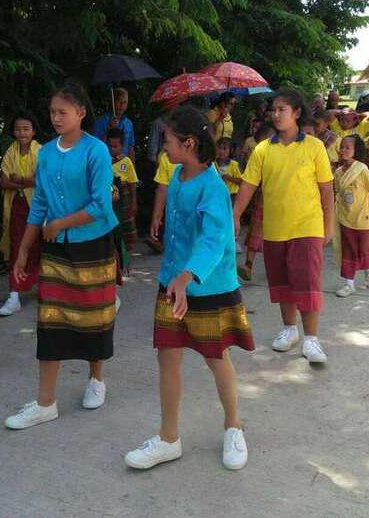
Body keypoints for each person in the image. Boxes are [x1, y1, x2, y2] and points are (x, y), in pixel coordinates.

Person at [124, 107, 255, 472]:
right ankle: (168, 439)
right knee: (167, 356)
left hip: (207, 287)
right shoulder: (177, 175)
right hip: (173, 284)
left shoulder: (212, 186)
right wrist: (175, 276)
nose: (162, 146)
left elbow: (214, 240)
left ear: (189, 143)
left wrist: (187, 276)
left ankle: (233, 426)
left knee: (216, 358)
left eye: (167, 140)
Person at [5, 82, 119, 430]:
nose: (56, 118)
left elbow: (101, 205)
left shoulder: (96, 151)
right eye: (52, 112)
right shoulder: (47, 154)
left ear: (81, 113)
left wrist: (60, 223)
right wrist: (24, 249)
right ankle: (46, 402)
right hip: (55, 246)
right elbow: (39, 203)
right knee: (50, 320)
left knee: (94, 316)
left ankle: (96, 379)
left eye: (63, 112)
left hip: (93, 243)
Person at [233, 88, 333, 364]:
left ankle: (311, 339)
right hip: (275, 228)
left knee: (308, 282)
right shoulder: (263, 149)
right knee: (282, 282)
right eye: (273, 110)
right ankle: (290, 330)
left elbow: (326, 190)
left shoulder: (314, 146)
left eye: (282, 110)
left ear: (297, 113)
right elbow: (248, 185)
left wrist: (328, 226)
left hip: (307, 226)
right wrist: (235, 215)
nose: (276, 115)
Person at [0, 113, 42, 317]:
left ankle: (44, 287)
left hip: (38, 206)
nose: (22, 133)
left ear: (33, 131)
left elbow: (42, 181)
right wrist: (25, 181)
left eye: (26, 129)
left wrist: (19, 179)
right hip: (17, 205)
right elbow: (4, 181)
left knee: (40, 246)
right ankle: (14, 295)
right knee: (17, 247)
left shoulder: (41, 151)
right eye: (18, 129)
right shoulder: (10, 151)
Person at [333, 135, 369, 297]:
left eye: (347, 148)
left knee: (365, 249)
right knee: (348, 251)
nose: (343, 150)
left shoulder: (362, 170)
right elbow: (337, 192)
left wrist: (367, 209)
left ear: (356, 151)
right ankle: (349, 284)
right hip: (345, 218)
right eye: (342, 147)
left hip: (363, 219)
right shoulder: (338, 172)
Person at [236, 122, 274, 282]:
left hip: (278, 203)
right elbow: (249, 182)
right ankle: (248, 266)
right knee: (254, 234)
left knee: (274, 237)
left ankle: (276, 268)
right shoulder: (258, 156)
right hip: (261, 200)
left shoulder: (284, 155)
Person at [108, 127, 139, 250]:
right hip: (110, 197)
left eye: (115, 146)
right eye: (110, 146)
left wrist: (134, 202)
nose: (112, 149)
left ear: (122, 146)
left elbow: (132, 183)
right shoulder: (104, 160)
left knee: (126, 225)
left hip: (125, 197)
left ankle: (126, 252)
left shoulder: (126, 161)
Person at [148, 149, 177, 254]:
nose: (164, 146)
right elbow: (162, 189)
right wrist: (156, 218)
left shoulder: (202, 158)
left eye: (168, 142)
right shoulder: (165, 157)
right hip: (173, 215)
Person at [94, 87, 135, 158]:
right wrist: (109, 129)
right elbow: (96, 147)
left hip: (123, 163)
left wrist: (132, 164)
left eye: (125, 102)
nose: (122, 105)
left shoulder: (128, 123)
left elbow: (131, 148)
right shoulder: (101, 121)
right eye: (119, 101)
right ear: (113, 102)